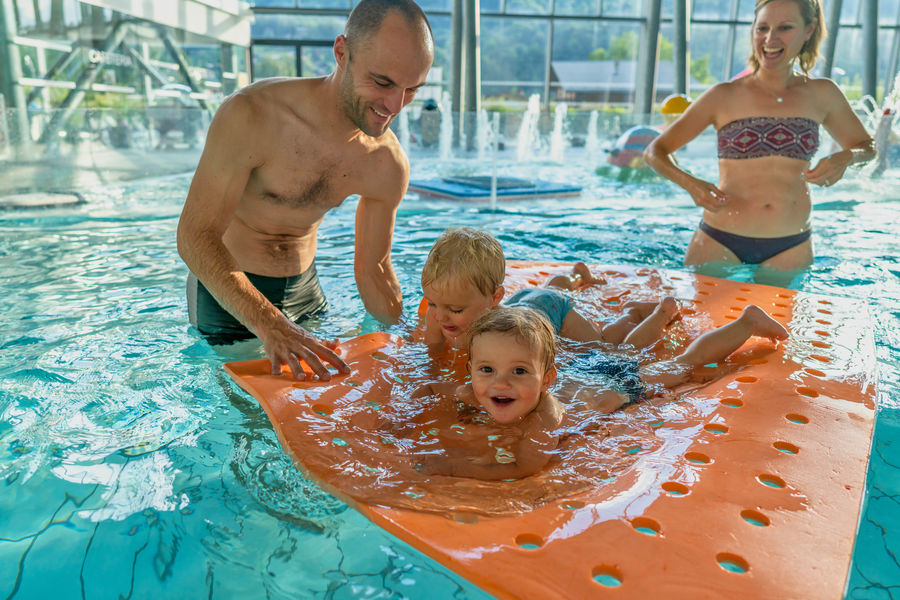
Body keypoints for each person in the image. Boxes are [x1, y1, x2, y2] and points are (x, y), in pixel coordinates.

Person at [176, 0, 434, 380]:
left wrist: (408, 345)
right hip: (230, 295)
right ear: (342, 52)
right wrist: (271, 324)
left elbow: (375, 269)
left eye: (412, 89)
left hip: (306, 293)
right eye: (382, 83)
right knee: (245, 425)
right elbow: (194, 237)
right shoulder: (252, 115)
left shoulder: (386, 163)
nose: (395, 105)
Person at [412, 298, 788, 480]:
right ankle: (660, 315)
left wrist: (453, 466)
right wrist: (428, 394)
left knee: (681, 366)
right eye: (487, 369)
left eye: (519, 371)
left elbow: (524, 467)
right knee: (625, 350)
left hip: (618, 385)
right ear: (471, 370)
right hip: (585, 371)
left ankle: (745, 324)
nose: (500, 383)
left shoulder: (546, 417)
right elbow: (447, 390)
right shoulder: (474, 389)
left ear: (546, 380)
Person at [644, 0, 875, 271]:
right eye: (762, 28)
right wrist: (691, 184)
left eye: (785, 27)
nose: (770, 39)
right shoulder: (723, 95)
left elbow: (867, 147)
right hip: (719, 240)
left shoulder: (823, 94)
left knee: (781, 316)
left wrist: (845, 158)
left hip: (791, 245)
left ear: (809, 30)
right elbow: (655, 151)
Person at [421, 227, 680, 352]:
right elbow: (429, 354)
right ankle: (577, 276)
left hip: (552, 310)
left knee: (607, 349)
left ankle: (640, 313)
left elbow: (543, 368)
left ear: (494, 298)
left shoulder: (508, 333)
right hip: (526, 298)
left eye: (455, 309)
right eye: (432, 303)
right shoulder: (439, 315)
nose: (440, 316)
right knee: (552, 287)